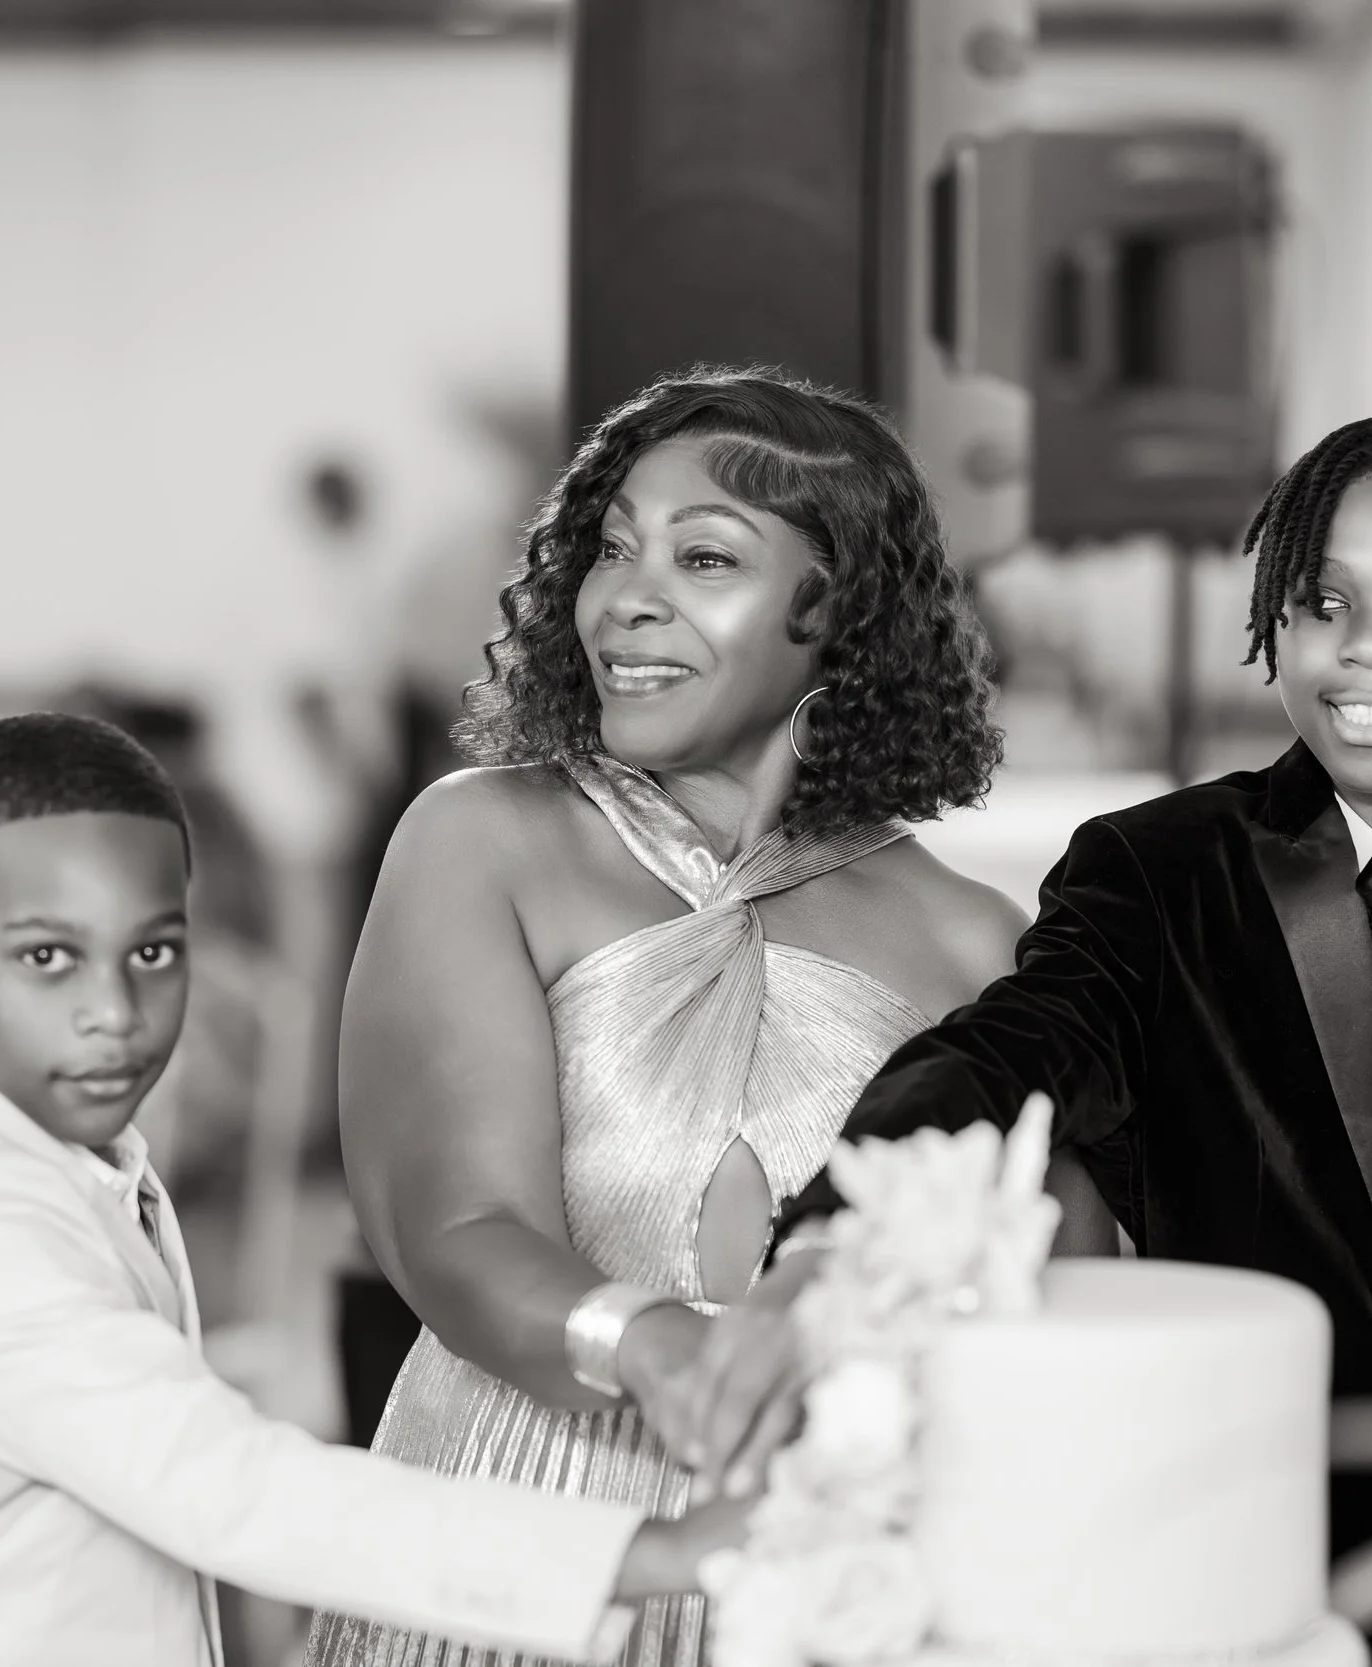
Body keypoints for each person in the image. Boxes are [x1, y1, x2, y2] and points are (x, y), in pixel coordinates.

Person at [690, 412, 1372, 1667]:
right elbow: (1000, 1053)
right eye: (1323, 600)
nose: (1365, 644)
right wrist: (830, 1245)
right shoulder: (1160, 878)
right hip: (1238, 1624)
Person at [301, 367, 1117, 1667]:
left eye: (704, 556)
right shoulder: (482, 840)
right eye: (612, 548)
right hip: (518, 1561)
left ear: (834, 607)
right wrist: (652, 1345)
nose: (626, 597)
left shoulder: (973, 940)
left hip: (825, 1591)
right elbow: (451, 1223)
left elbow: (1048, 1308)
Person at [0, 713, 742, 1667]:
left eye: (151, 952)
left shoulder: (37, 1148)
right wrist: (645, 1552)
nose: (113, 1012)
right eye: (47, 957)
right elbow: (229, 1487)